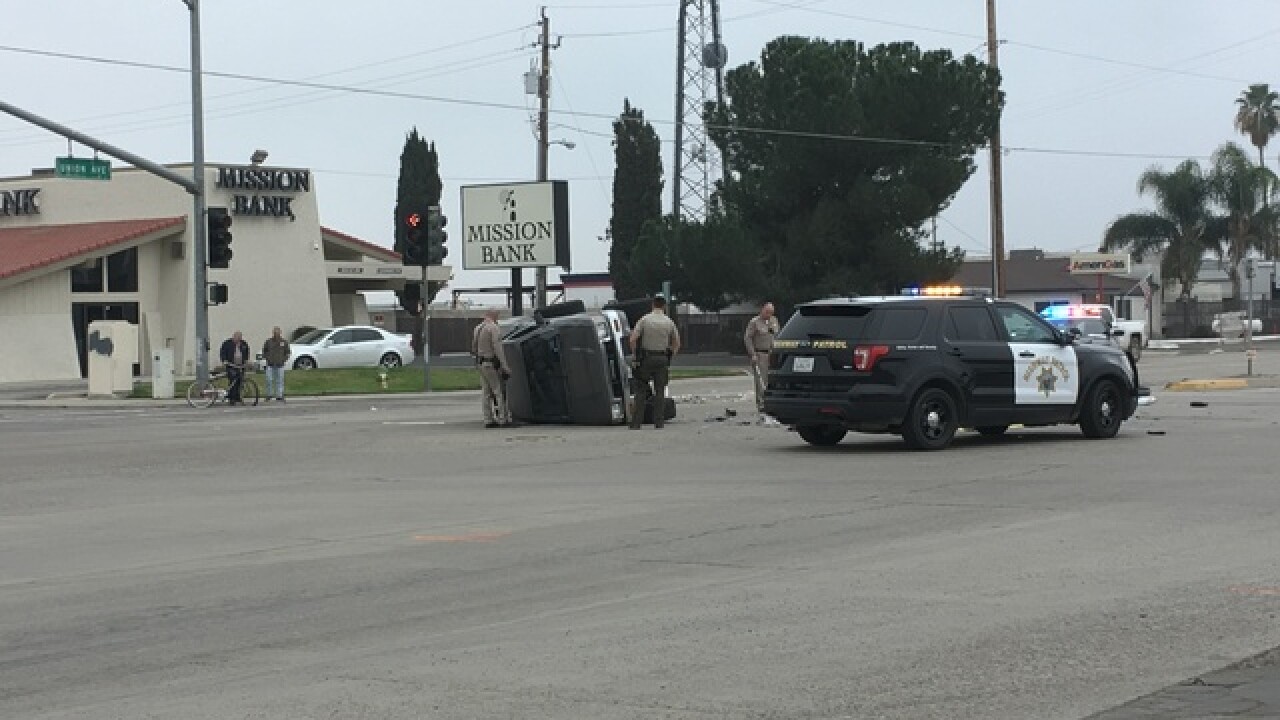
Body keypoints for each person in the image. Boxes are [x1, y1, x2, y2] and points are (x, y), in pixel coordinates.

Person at [628, 295, 681, 429]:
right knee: (660, 391)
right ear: (664, 306)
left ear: (652, 305)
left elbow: (633, 339)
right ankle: (659, 422)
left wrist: (635, 355)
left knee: (641, 390)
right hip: (662, 358)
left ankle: (636, 423)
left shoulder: (645, 320)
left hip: (646, 358)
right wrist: (670, 355)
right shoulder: (669, 322)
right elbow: (677, 342)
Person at [472, 309, 511, 428]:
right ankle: (503, 419)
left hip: (481, 363)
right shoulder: (493, 328)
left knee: (486, 392)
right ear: (494, 316)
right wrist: (505, 366)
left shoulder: (477, 328)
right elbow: (497, 348)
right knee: (498, 391)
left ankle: (488, 419)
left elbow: (473, 346)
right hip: (490, 363)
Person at [743, 302, 780, 412]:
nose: (769, 314)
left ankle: (771, 402)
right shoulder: (754, 322)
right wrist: (752, 354)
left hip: (772, 354)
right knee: (761, 381)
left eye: (771, 313)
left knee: (771, 380)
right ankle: (761, 404)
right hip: (760, 354)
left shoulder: (774, 321)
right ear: (762, 310)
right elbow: (747, 338)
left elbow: (777, 335)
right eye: (767, 312)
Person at [219, 330, 251, 406]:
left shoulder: (243, 344)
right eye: (237, 338)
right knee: (233, 380)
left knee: (240, 381)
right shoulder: (227, 343)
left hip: (240, 365)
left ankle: (238, 397)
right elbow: (222, 352)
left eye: (240, 338)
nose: (238, 339)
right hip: (231, 365)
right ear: (234, 337)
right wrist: (224, 361)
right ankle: (232, 398)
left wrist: (246, 361)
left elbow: (246, 352)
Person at [261, 326, 290, 402]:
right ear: (273, 333)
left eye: (277, 333)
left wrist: (283, 360)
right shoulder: (268, 342)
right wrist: (267, 358)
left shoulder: (284, 342)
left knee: (280, 380)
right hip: (270, 364)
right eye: (275, 333)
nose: (276, 334)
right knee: (269, 380)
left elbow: (287, 352)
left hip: (280, 365)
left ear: (280, 333)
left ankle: (279, 395)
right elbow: (264, 351)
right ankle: (269, 394)